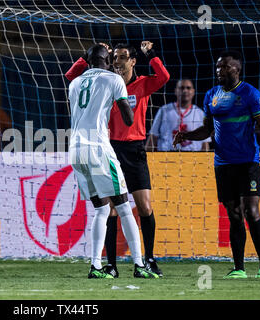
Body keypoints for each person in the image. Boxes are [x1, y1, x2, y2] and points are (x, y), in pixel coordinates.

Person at [66, 41, 169, 278]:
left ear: (133, 61)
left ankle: (103, 265)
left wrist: (151, 54)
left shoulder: (79, 84)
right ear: (107, 61)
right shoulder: (112, 81)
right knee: (120, 207)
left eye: (122, 57)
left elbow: (163, 76)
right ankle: (129, 265)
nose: (117, 61)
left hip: (107, 150)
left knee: (123, 207)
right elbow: (128, 117)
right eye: (114, 57)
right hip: (105, 148)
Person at [173, 50, 260, 279]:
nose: (220, 71)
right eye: (218, 67)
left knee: (251, 211)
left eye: (225, 67)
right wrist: (186, 135)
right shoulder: (211, 95)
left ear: (237, 69)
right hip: (223, 164)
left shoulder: (250, 94)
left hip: (247, 162)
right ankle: (239, 268)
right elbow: (207, 129)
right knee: (234, 214)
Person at [146, 79, 210, 151]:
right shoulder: (164, 110)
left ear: (193, 92)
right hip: (166, 157)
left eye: (188, 88)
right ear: (176, 91)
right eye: (181, 88)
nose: (185, 90)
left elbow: (205, 143)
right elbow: (153, 137)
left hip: (193, 158)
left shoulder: (200, 113)